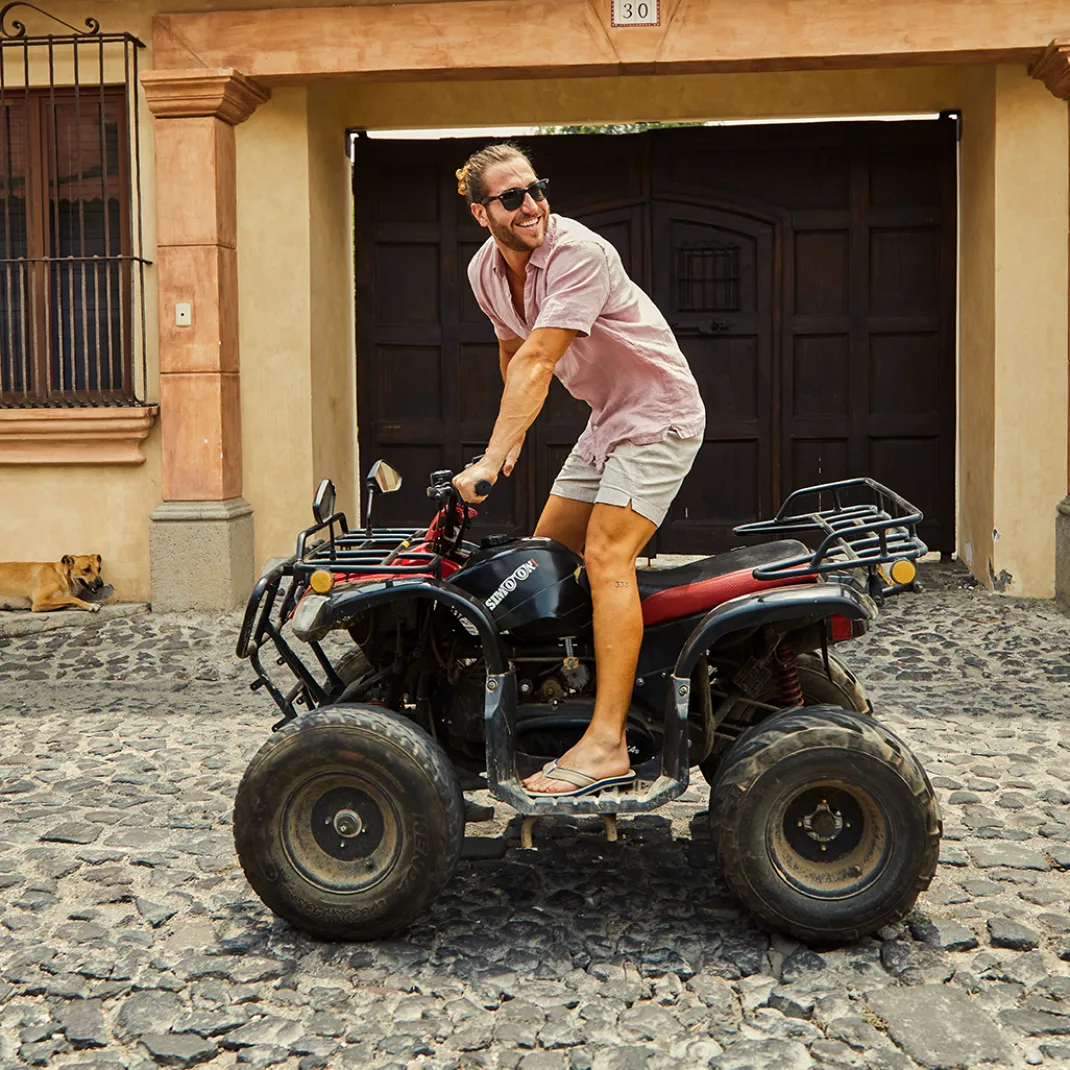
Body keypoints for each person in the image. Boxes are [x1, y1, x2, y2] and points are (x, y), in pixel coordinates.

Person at [452, 142, 705, 796]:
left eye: (536, 189)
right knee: (544, 558)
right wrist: (509, 442)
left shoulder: (579, 253)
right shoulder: (484, 271)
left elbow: (541, 358)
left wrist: (491, 457)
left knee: (605, 557)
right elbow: (513, 351)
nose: (531, 205)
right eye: (512, 197)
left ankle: (608, 743)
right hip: (608, 418)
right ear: (482, 212)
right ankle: (562, 704)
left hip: (658, 412)